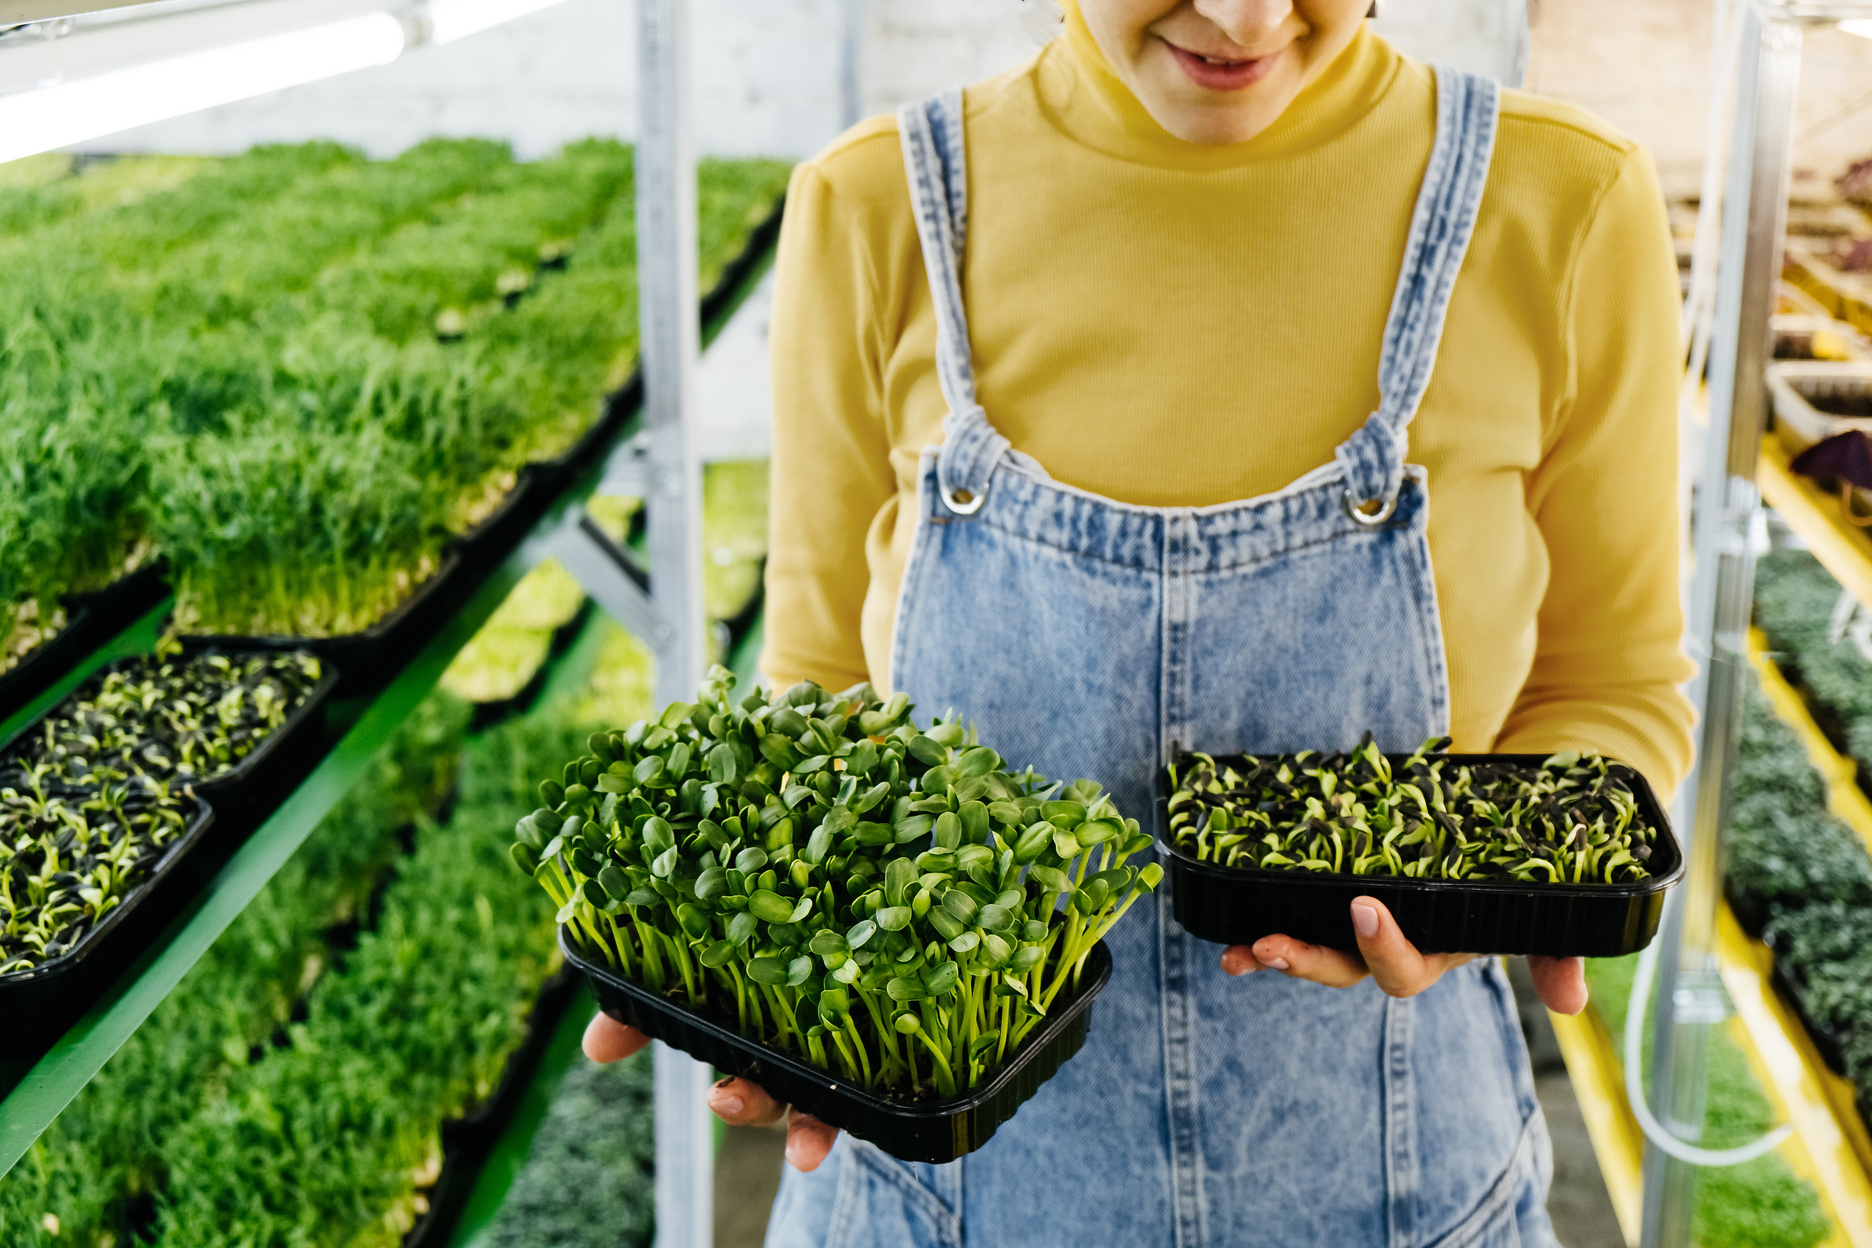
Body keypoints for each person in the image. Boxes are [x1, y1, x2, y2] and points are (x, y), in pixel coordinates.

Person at [583, 1, 1695, 1243]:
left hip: (1403, 1191)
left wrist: (1489, 891)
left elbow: (1620, 680)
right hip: (932, 1203)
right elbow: (819, 681)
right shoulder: (874, 208)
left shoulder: (1564, 201)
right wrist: (733, 967)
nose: (1243, 16)